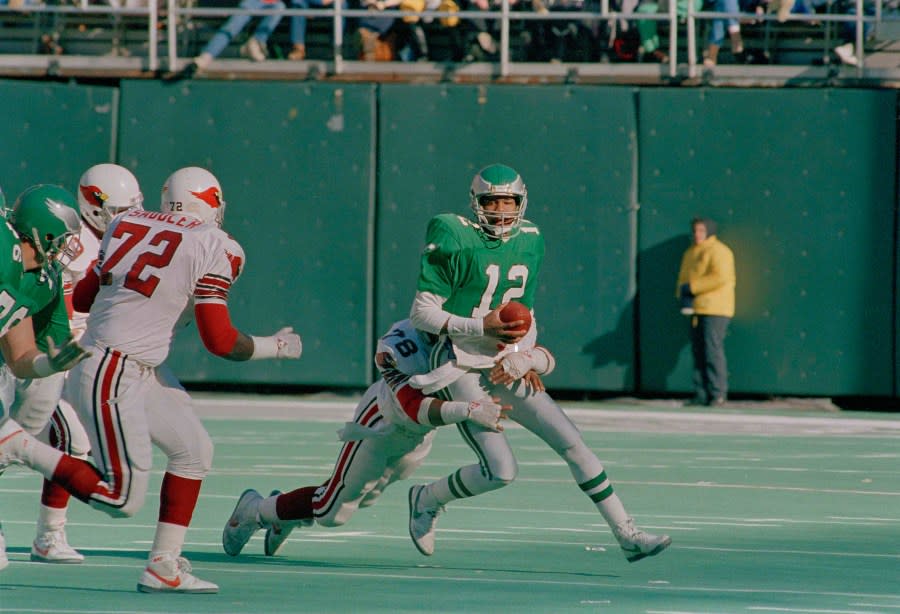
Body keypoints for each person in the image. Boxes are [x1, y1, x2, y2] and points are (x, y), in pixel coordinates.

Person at [0, 166, 303, 592]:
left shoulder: (126, 222)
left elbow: (86, 296)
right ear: (213, 203)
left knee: (194, 450)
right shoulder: (218, 244)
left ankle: (164, 565)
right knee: (121, 497)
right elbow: (219, 340)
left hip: (135, 363)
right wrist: (274, 347)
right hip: (115, 365)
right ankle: (20, 446)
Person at [404, 163, 671, 562]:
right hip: (459, 362)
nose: (499, 210)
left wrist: (520, 355)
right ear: (476, 203)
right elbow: (422, 314)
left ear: (521, 202)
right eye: (491, 201)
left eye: (507, 201)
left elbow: (523, 316)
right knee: (502, 471)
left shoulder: (530, 240)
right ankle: (426, 498)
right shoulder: (452, 233)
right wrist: (481, 326)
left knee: (573, 443)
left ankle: (627, 533)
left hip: (500, 362)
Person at [219, 318, 544, 557]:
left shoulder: (475, 335)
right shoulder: (402, 341)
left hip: (420, 435)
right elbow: (414, 406)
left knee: (367, 496)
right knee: (334, 512)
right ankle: (257, 510)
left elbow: (534, 353)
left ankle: (285, 513)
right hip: (382, 423)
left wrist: (526, 362)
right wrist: (468, 410)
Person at [25, 163, 145, 564]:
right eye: (119, 208)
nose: (127, 217)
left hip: (79, 355)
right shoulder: (73, 241)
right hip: (44, 354)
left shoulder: (126, 240)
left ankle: (48, 535)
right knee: (60, 439)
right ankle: (48, 535)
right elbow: (57, 303)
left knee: (64, 441)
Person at [0, 184, 92, 572]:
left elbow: (21, 356)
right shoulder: (5, 249)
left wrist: (52, 365)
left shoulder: (44, 281)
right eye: (63, 237)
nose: (66, 248)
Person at [676, 216, 736, 407]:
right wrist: (683, 295)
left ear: (709, 231)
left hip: (716, 309)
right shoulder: (690, 253)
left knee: (712, 349)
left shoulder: (720, 251)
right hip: (696, 309)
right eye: (695, 230)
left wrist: (692, 288)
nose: (697, 234)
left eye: (701, 231)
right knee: (698, 350)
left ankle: (718, 393)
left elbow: (720, 277)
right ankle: (701, 393)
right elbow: (683, 279)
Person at [190, 0, 287, 72]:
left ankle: (255, 42)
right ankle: (207, 55)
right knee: (234, 24)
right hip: (250, 2)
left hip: (272, 3)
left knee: (279, 7)